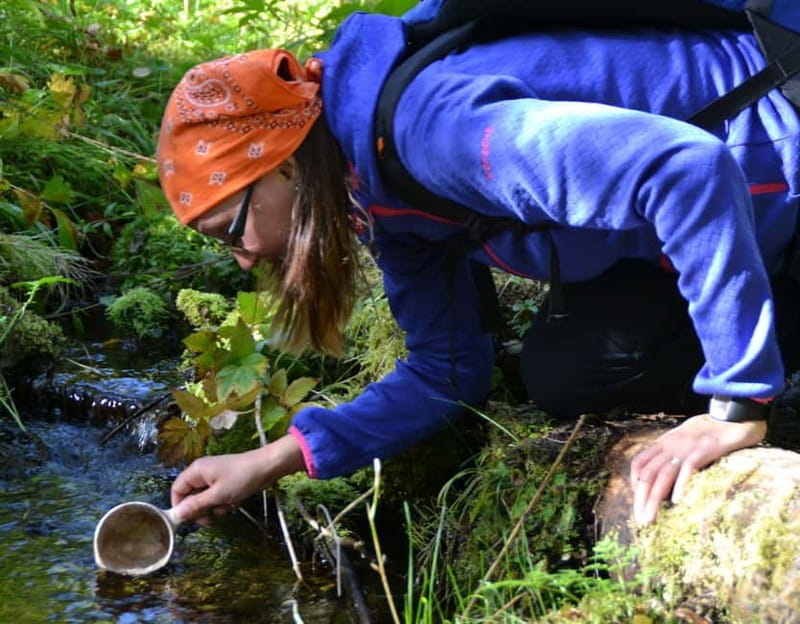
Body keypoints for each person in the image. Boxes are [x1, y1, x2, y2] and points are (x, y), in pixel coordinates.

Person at [156, 0, 800, 528]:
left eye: (230, 230)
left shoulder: (434, 135)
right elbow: (448, 369)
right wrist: (274, 459)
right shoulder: (374, 189)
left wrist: (735, 407)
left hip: (776, 151)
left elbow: (686, 171)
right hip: (697, 230)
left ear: (287, 167)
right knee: (568, 372)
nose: (241, 260)